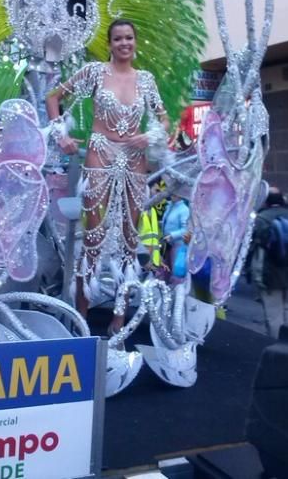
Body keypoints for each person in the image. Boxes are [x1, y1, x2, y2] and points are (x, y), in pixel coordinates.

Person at [46, 19, 169, 333]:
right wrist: (61, 134)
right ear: (110, 43)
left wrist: (150, 136)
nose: (124, 43)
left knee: (129, 239)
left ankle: (118, 316)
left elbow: (164, 119)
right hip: (99, 155)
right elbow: (53, 98)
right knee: (94, 237)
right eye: (118, 39)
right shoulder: (94, 72)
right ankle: (82, 316)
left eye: (129, 37)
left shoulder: (146, 79)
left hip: (134, 161)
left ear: (135, 41)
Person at [247, 187, 288, 338]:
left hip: (268, 270)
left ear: (266, 201)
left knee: (273, 310)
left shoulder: (261, 219)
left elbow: (251, 246)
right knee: (287, 305)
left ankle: (278, 344)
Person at [161, 193, 190, 283]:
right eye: (172, 193)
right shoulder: (170, 206)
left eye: (175, 193)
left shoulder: (184, 210)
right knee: (165, 268)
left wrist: (172, 235)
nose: (173, 195)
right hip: (167, 244)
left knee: (176, 269)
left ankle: (177, 291)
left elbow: (186, 229)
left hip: (178, 245)